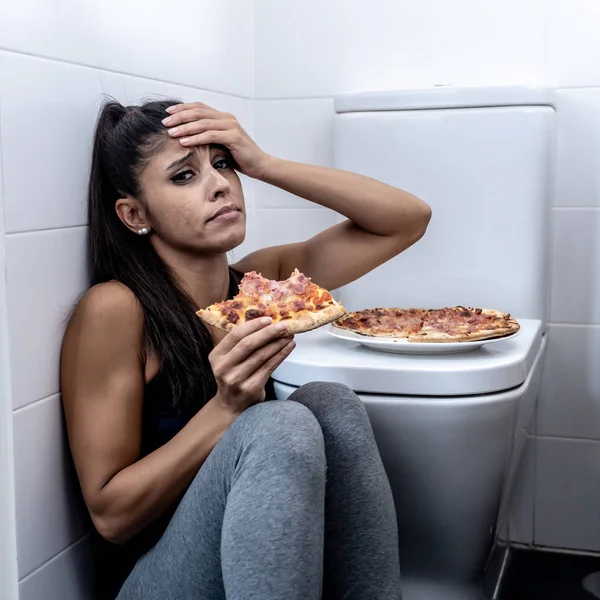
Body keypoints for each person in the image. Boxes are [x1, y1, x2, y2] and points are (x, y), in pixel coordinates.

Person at [60, 98, 432, 600]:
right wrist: (227, 408)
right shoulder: (115, 309)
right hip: (155, 579)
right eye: (184, 177)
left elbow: (407, 219)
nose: (219, 184)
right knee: (276, 423)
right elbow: (111, 516)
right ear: (133, 213)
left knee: (330, 402)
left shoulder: (260, 286)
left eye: (223, 165)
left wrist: (264, 163)